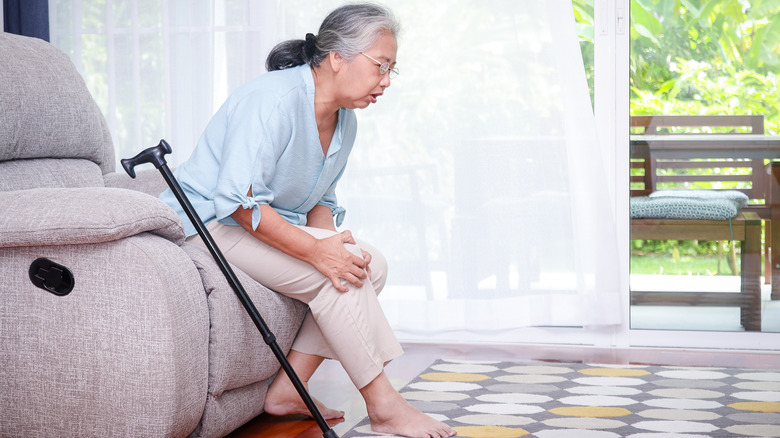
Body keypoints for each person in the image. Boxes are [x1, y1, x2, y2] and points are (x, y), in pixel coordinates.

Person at [160, 3, 456, 438]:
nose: (387, 81)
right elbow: (238, 202)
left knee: (367, 265)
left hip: (262, 221)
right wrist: (320, 253)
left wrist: (333, 246)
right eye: (381, 66)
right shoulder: (273, 100)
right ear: (337, 58)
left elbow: (321, 199)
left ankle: (285, 391)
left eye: (393, 69)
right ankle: (385, 405)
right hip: (209, 223)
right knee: (335, 274)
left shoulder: (345, 121)